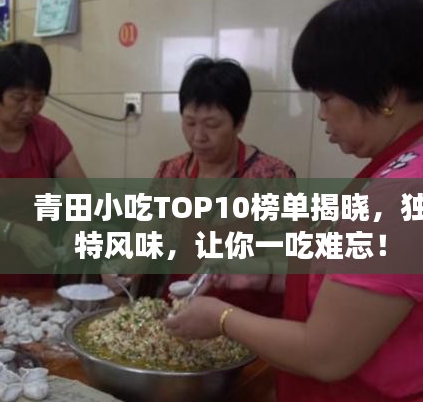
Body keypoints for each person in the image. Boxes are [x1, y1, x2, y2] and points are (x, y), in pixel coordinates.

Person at [164, 0, 423, 402]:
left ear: (387, 92)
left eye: (327, 98)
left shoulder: (412, 185)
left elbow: (327, 353)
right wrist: (263, 274)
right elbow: (361, 278)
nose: (323, 115)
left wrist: (221, 318)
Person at [103, 57, 295, 316]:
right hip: (182, 316)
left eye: (212, 125)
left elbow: (285, 266)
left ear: (239, 122)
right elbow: (141, 246)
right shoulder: (172, 173)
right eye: (190, 122)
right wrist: (118, 270)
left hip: (247, 323)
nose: (198, 137)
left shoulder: (272, 177)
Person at [0, 41, 86, 288]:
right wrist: (13, 232)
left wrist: (78, 226)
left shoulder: (48, 135)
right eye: (19, 98)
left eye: (38, 98)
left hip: (33, 275)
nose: (29, 109)